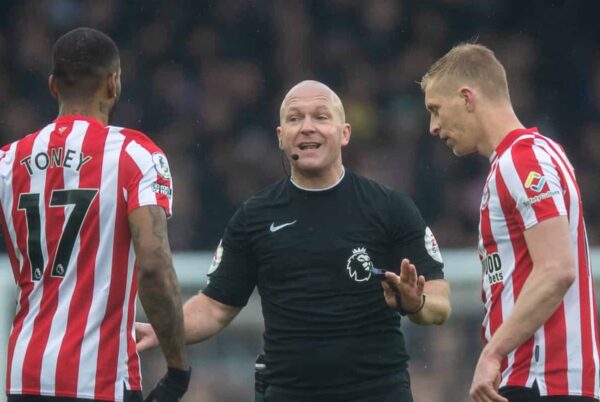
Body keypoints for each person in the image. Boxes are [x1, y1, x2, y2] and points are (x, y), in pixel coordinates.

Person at [136, 80, 451, 402]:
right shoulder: (254, 217)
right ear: (280, 137)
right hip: (288, 392)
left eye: (321, 117)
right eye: (295, 118)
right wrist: (166, 329)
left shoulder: (389, 208)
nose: (307, 128)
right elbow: (216, 306)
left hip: (377, 391)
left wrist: (418, 304)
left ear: (345, 133)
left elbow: (440, 304)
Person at [0, 27, 190, 402]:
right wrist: (178, 366)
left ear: (53, 85)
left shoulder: (8, 161)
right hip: (99, 380)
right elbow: (154, 266)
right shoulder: (136, 156)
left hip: (24, 375)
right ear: (113, 83)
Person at [421, 43, 600, 402]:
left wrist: (493, 352)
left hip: (544, 381)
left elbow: (556, 270)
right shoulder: (526, 157)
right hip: (533, 379)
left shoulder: (521, 160)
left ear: (467, 97)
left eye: (436, 109)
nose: (433, 126)